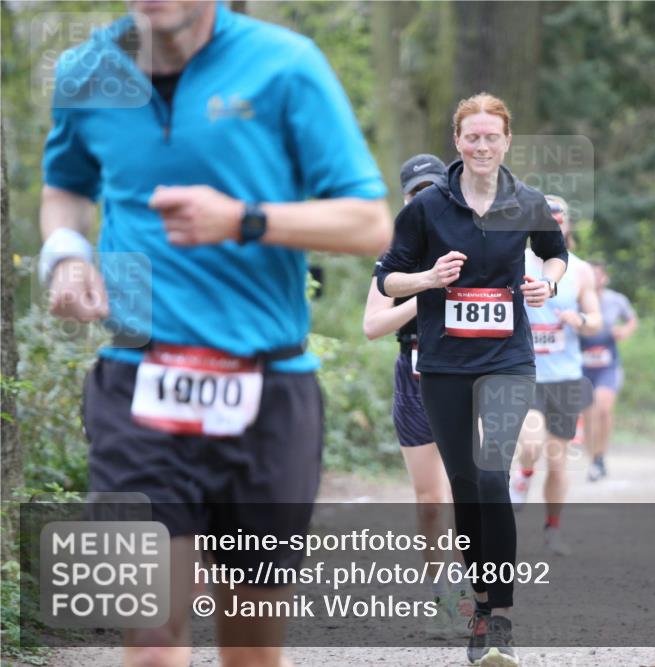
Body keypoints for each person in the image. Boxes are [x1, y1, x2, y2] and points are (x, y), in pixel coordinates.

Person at [39, 2, 391, 666]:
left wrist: (244, 220)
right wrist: (67, 253)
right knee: (149, 636)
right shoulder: (86, 72)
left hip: (266, 392)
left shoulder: (286, 65)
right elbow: (65, 188)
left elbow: (369, 223)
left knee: (249, 650)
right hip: (137, 385)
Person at [375, 93, 567, 667]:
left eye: (492, 137)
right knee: (463, 485)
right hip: (443, 364)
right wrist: (430, 276)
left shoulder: (528, 202)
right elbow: (388, 281)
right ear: (457, 142)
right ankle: (479, 608)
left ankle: (500, 616)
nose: (482, 146)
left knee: (490, 477)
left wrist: (547, 284)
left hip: (508, 359)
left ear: (508, 141)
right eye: (472, 137)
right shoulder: (427, 208)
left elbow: (556, 255)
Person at [362, 153, 472, 636]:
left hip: (468, 375)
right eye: (415, 192)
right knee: (430, 500)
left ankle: (480, 594)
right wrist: (425, 289)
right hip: (415, 376)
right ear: (406, 200)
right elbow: (371, 326)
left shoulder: (474, 242)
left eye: (434, 189)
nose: (425, 198)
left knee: (472, 491)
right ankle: (441, 595)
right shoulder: (398, 254)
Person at [508, 195, 602, 556]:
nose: (553, 224)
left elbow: (595, 321)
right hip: (525, 371)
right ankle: (524, 474)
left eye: (559, 218)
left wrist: (579, 320)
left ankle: (552, 529)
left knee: (559, 461)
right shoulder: (516, 260)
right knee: (531, 445)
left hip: (565, 376)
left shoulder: (579, 271)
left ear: (567, 224)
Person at [578, 262, 638, 482]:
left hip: (607, 364)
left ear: (605, 278)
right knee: (589, 414)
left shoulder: (616, 300)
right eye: (591, 276)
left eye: (599, 276)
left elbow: (632, 320)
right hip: (582, 364)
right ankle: (593, 459)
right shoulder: (577, 299)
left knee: (603, 408)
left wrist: (624, 331)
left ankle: (600, 457)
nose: (596, 280)